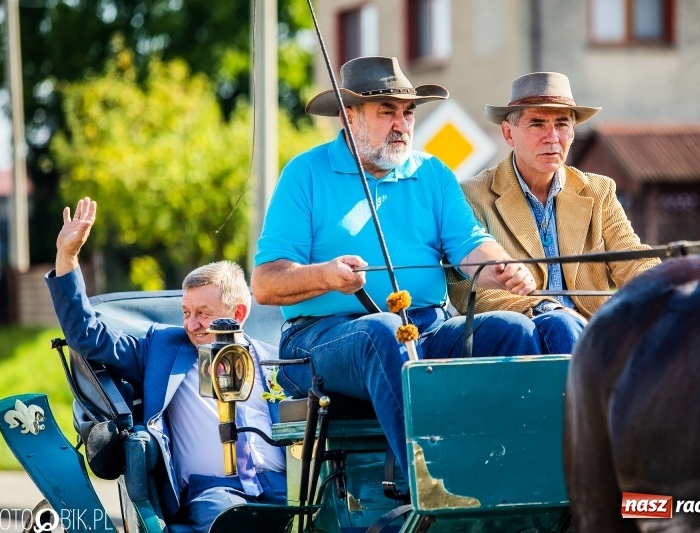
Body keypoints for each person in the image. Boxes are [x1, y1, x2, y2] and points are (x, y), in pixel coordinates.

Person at [252, 56, 544, 479]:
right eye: (386, 111)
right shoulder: (305, 174)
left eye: (407, 113)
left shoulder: (431, 173)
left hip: (425, 326)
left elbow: (469, 244)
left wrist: (502, 267)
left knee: (515, 330)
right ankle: (433, 484)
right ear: (349, 117)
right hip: (320, 340)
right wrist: (325, 275)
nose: (402, 124)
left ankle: (523, 477)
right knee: (382, 332)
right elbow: (264, 284)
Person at [46, 197, 286, 533]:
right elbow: (87, 336)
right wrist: (67, 256)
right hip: (217, 492)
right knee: (236, 522)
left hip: (284, 486)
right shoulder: (163, 349)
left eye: (203, 313)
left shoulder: (274, 358)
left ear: (239, 314)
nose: (192, 324)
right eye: (187, 313)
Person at [448, 72, 660, 350]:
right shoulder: (471, 195)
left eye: (562, 124)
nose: (552, 137)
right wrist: (548, 308)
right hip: (525, 340)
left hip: (595, 335)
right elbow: (468, 292)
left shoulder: (599, 191)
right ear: (508, 133)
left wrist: (669, 284)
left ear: (573, 131)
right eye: (537, 124)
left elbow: (631, 259)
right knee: (561, 326)